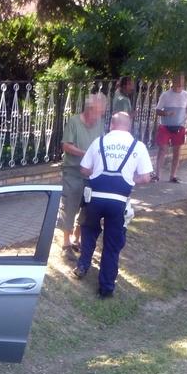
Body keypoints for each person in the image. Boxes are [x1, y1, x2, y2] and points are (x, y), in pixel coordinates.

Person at [72, 112, 153, 298]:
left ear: (111, 125)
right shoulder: (138, 146)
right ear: (129, 127)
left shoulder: (99, 142)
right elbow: (146, 177)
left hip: (95, 198)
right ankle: (106, 288)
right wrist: (129, 178)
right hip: (119, 202)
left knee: (89, 231)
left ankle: (83, 265)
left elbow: (84, 169)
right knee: (112, 244)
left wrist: (98, 173)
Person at [59, 93, 106, 255]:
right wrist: (85, 153)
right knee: (69, 206)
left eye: (101, 113)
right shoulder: (74, 122)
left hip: (91, 174)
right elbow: (66, 145)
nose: (99, 116)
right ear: (89, 109)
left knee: (87, 209)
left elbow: (102, 145)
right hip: (73, 171)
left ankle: (76, 240)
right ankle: (66, 243)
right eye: (98, 112)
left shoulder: (100, 124)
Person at [155, 74, 187, 183]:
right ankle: (157, 175)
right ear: (173, 81)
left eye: (181, 81)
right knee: (162, 150)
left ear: (183, 81)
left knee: (177, 152)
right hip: (165, 127)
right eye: (177, 81)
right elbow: (157, 110)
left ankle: (173, 176)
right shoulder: (165, 95)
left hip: (179, 127)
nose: (179, 84)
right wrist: (166, 113)